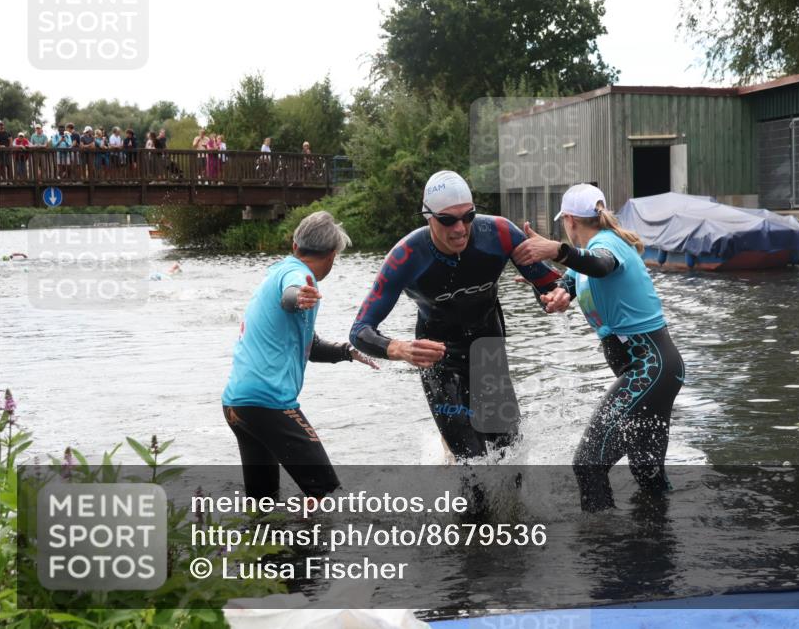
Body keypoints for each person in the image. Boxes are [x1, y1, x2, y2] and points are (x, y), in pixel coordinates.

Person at [349, 170, 561, 462]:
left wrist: (552, 297)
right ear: (428, 217)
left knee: (509, 456)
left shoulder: (499, 233)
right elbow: (359, 330)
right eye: (448, 220)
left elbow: (548, 286)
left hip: (488, 351)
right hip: (439, 359)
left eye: (468, 216)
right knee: (471, 463)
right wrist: (399, 349)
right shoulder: (406, 256)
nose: (461, 228)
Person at [511, 183, 685, 512]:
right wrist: (551, 287)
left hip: (649, 368)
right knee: (647, 474)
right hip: (657, 371)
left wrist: (557, 250)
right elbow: (575, 279)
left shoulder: (607, 245)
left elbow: (601, 264)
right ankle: (658, 548)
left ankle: (601, 547)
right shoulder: (585, 262)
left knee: (588, 465)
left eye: (565, 223)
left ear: (571, 221)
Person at [223, 211, 378, 500]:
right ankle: (314, 546)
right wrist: (299, 296)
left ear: (295, 245)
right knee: (328, 495)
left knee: (263, 504)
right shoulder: (298, 276)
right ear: (333, 255)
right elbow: (290, 295)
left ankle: (271, 544)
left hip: (237, 405)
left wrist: (346, 351)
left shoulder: (277, 270)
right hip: (268, 404)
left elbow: (309, 346)